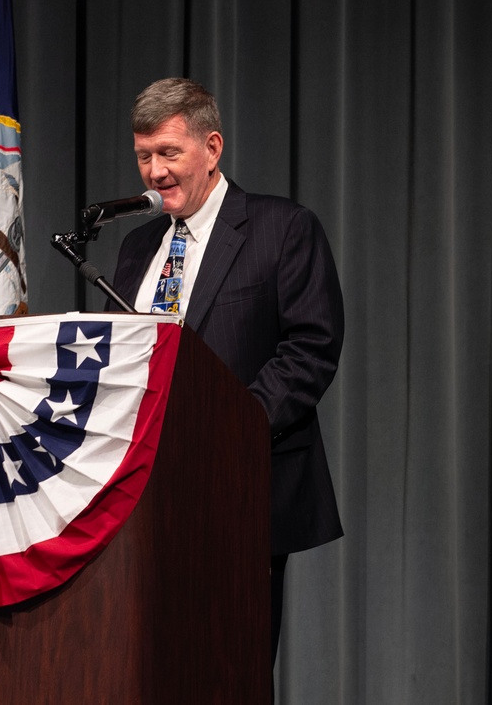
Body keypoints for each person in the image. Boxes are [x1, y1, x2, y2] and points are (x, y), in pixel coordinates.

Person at [108, 77, 345, 669]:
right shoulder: (138, 248)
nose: (155, 172)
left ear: (211, 149)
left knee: (229, 668)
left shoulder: (281, 228)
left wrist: (229, 430)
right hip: (145, 496)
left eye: (169, 153)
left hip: (240, 486)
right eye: (144, 156)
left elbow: (310, 347)